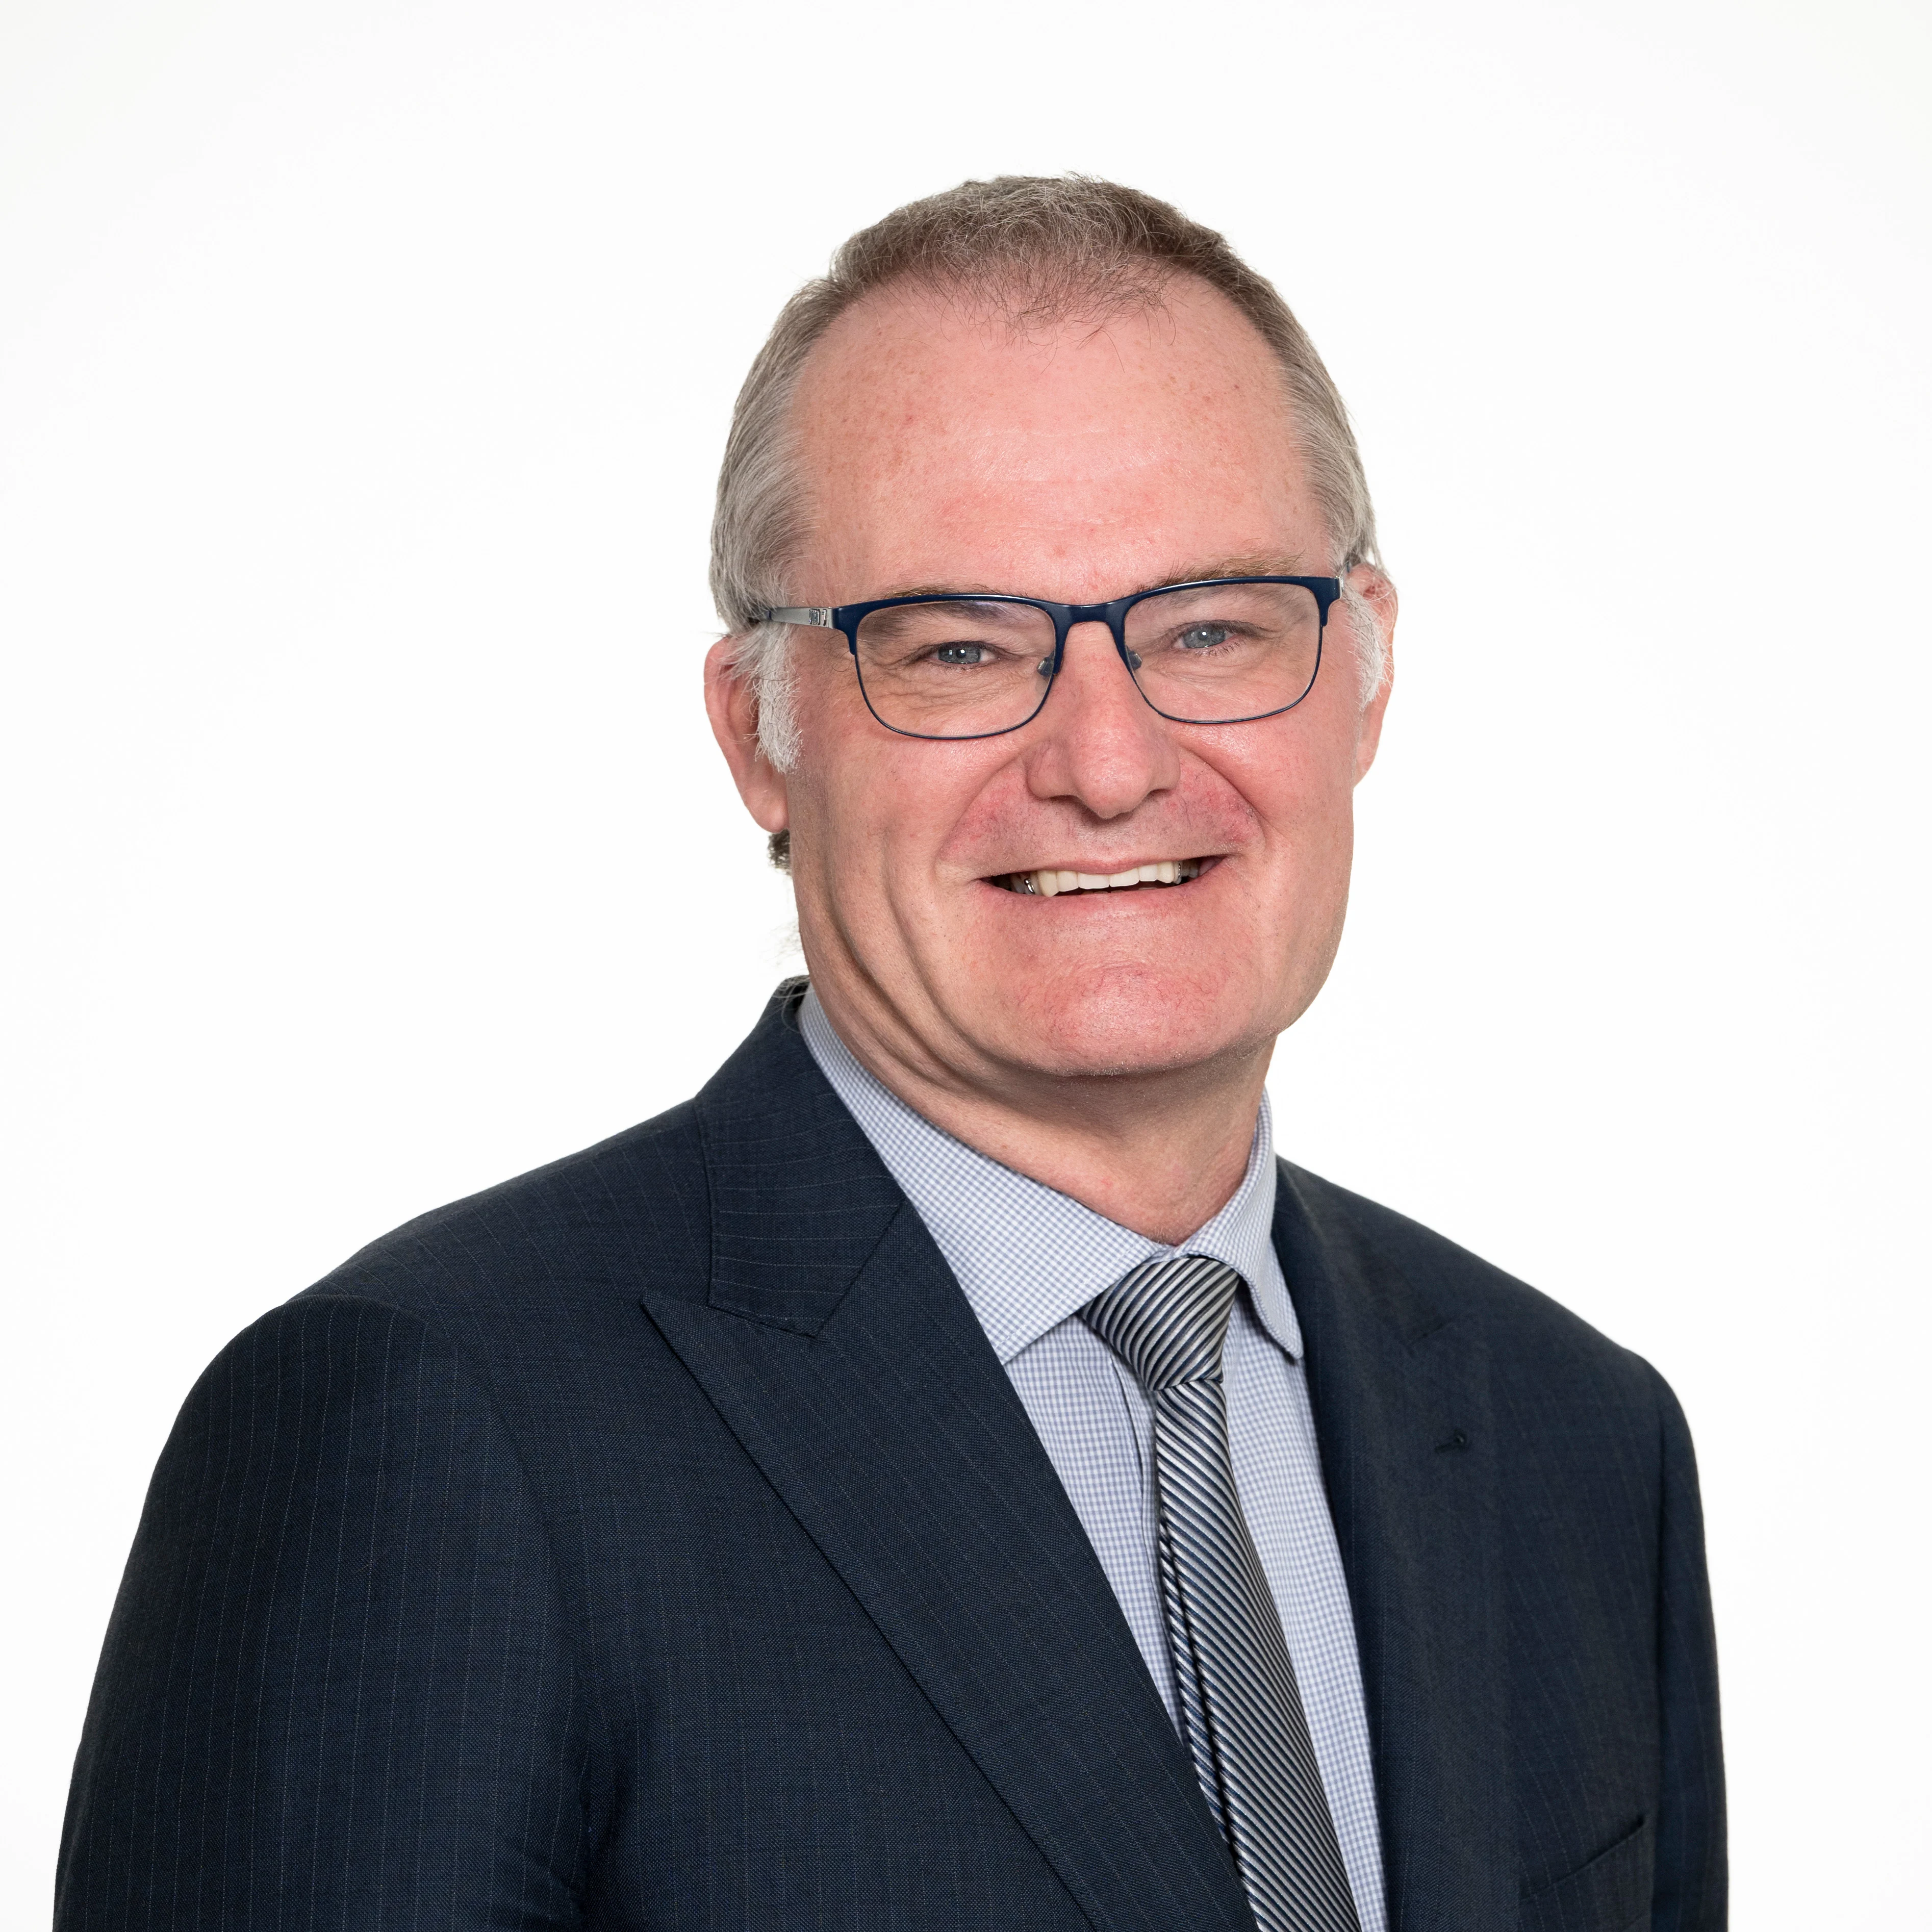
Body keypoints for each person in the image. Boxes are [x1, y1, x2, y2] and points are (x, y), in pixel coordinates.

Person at [57, 177, 1725, 1932]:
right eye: (957, 651)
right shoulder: (433, 1421)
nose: (1107, 763)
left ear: (1363, 669)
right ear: (756, 735)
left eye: (1212, 628)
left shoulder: (1574, 1438)